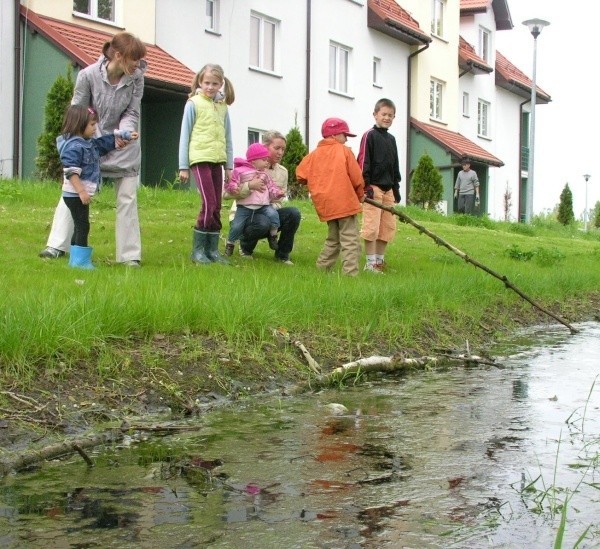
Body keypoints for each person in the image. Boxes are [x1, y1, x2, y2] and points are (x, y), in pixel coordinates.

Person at [39, 32, 147, 267]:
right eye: (133, 59)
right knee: (72, 191)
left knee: (127, 196)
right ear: (118, 55)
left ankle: (129, 256)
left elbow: (132, 112)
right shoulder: (87, 75)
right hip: (88, 142)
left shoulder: (136, 78)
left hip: (122, 144)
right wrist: (94, 141)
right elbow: (78, 111)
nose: (137, 65)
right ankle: (56, 245)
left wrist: (122, 135)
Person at [58, 106, 138, 269]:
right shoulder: (74, 147)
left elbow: (104, 143)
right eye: (92, 125)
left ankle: (75, 259)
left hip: (76, 194)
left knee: (80, 224)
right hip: (74, 194)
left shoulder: (87, 144)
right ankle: (80, 262)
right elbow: (71, 172)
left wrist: (126, 135)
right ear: (79, 125)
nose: (95, 128)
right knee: (83, 225)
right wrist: (81, 192)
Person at [178, 63, 234, 265]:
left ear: (221, 84)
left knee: (217, 205)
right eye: (206, 83)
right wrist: (183, 166)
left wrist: (229, 165)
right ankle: (198, 250)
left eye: (214, 83)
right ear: (200, 82)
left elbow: (227, 136)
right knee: (208, 203)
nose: (210, 87)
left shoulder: (222, 107)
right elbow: (185, 135)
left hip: (217, 159)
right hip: (200, 158)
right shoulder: (193, 103)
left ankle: (212, 251)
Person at [296, 118, 365, 277]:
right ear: (335, 135)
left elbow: (300, 175)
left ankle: (322, 269)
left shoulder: (313, 155)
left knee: (333, 239)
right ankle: (350, 275)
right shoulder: (344, 151)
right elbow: (357, 178)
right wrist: (360, 195)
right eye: (345, 135)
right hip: (345, 203)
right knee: (350, 240)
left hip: (326, 205)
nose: (346, 139)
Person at [232, 131, 301, 265]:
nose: (280, 152)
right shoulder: (246, 168)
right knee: (263, 221)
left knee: (293, 213)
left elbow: (278, 201)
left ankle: (282, 255)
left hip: (270, 212)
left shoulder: (283, 171)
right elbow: (227, 194)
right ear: (265, 147)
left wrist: (275, 198)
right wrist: (249, 186)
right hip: (246, 215)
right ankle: (245, 247)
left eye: (283, 149)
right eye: (277, 148)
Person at [358, 98, 402, 274]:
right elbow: (363, 162)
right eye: (383, 114)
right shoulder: (370, 136)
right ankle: (369, 264)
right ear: (375, 114)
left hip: (388, 188)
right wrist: (365, 185)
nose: (387, 118)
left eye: (390, 115)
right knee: (372, 225)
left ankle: (379, 262)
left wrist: (396, 187)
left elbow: (394, 165)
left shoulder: (391, 139)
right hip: (373, 187)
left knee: (387, 226)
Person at [224, 143, 284, 256]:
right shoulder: (240, 171)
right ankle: (230, 244)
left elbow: (272, 188)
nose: (267, 162)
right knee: (237, 226)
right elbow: (232, 182)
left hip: (263, 206)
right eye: (264, 160)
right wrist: (234, 188)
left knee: (274, 215)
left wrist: (278, 194)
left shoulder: (265, 175)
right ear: (254, 161)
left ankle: (273, 236)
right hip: (244, 207)